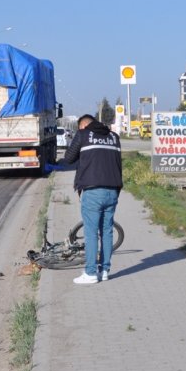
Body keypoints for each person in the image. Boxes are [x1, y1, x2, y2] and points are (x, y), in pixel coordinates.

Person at [60, 114, 123, 284]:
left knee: (91, 233)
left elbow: (68, 159)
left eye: (81, 127)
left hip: (93, 190)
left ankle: (90, 273)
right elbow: (117, 163)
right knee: (107, 232)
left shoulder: (82, 135)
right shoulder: (114, 137)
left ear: (84, 125)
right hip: (113, 190)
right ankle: (104, 271)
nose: (80, 130)